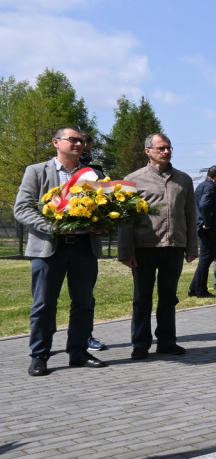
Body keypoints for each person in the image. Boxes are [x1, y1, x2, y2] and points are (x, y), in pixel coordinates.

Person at [15, 127, 106, 376]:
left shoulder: (93, 175)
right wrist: (53, 226)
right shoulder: (36, 171)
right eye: (72, 139)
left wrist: (101, 224)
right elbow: (22, 208)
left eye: (81, 141)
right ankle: (39, 355)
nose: (78, 144)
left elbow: (104, 210)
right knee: (43, 305)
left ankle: (78, 352)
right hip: (48, 249)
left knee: (84, 303)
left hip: (84, 248)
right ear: (56, 142)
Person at [118, 133, 198, 360]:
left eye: (169, 148)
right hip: (144, 246)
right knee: (142, 297)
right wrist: (126, 251)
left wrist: (192, 246)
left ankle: (167, 342)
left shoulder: (183, 180)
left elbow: (190, 215)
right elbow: (125, 219)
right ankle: (140, 344)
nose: (166, 152)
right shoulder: (132, 180)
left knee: (169, 297)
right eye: (161, 148)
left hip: (173, 246)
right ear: (148, 151)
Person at [81, 132, 107, 352]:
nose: (83, 149)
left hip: (87, 243)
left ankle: (85, 336)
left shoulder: (95, 173)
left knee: (86, 296)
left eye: (86, 145)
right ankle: (44, 341)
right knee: (46, 300)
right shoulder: (47, 171)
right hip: (54, 243)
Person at [188, 165, 216, 298]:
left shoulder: (202, 185)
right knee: (205, 259)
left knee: (205, 258)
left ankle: (194, 288)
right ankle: (200, 290)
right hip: (208, 229)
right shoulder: (210, 187)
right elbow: (204, 205)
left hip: (201, 226)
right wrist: (208, 223)